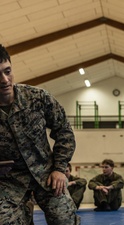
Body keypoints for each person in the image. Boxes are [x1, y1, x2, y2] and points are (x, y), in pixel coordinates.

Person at [0, 44, 80, 224]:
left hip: (47, 174)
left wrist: (60, 169)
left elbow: (64, 131)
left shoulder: (37, 98)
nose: (5, 80)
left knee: (64, 218)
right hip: (8, 182)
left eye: (7, 71)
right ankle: (24, 210)